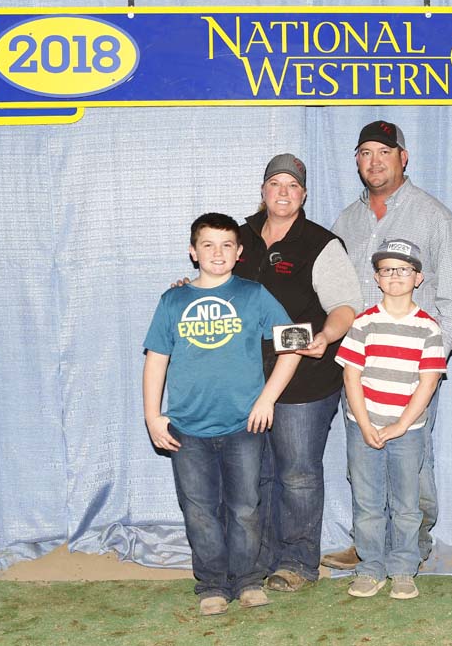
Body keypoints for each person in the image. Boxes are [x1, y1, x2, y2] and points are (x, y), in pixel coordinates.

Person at [325, 121, 452, 570]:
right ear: (356, 160)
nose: (374, 161)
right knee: (363, 459)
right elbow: (330, 289)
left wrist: (428, 357)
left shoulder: (432, 215)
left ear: (402, 157)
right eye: (365, 152)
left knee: (413, 462)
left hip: (411, 370)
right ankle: (370, 545)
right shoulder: (347, 221)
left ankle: (412, 545)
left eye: (383, 152)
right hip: (359, 368)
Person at [142, 212, 301, 617]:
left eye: (227, 245)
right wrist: (152, 415)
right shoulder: (172, 300)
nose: (218, 252)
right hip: (187, 428)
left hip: (243, 424)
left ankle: (247, 580)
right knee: (199, 510)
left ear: (239, 252)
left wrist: (267, 399)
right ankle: (211, 583)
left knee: (246, 507)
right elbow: (156, 359)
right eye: (208, 245)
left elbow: (292, 344)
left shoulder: (254, 294)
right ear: (193, 252)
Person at [233, 153, 362, 592]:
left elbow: (346, 304)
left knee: (297, 472)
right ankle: (262, 558)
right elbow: (215, 281)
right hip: (247, 374)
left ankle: (298, 562)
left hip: (305, 376)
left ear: (303, 195)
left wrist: (328, 335)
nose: (283, 192)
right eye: (275, 183)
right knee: (258, 473)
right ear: (263, 191)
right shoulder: (238, 237)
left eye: (292, 185)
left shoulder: (321, 243)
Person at [336, 238, 446, 599]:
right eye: (387, 270)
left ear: (418, 278)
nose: (395, 276)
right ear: (377, 278)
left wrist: (399, 426)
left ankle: (403, 568)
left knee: (406, 504)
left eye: (403, 270)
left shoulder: (429, 329)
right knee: (367, 502)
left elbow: (428, 383)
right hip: (363, 428)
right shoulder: (363, 324)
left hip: (407, 431)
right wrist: (366, 424)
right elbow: (351, 377)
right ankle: (371, 567)